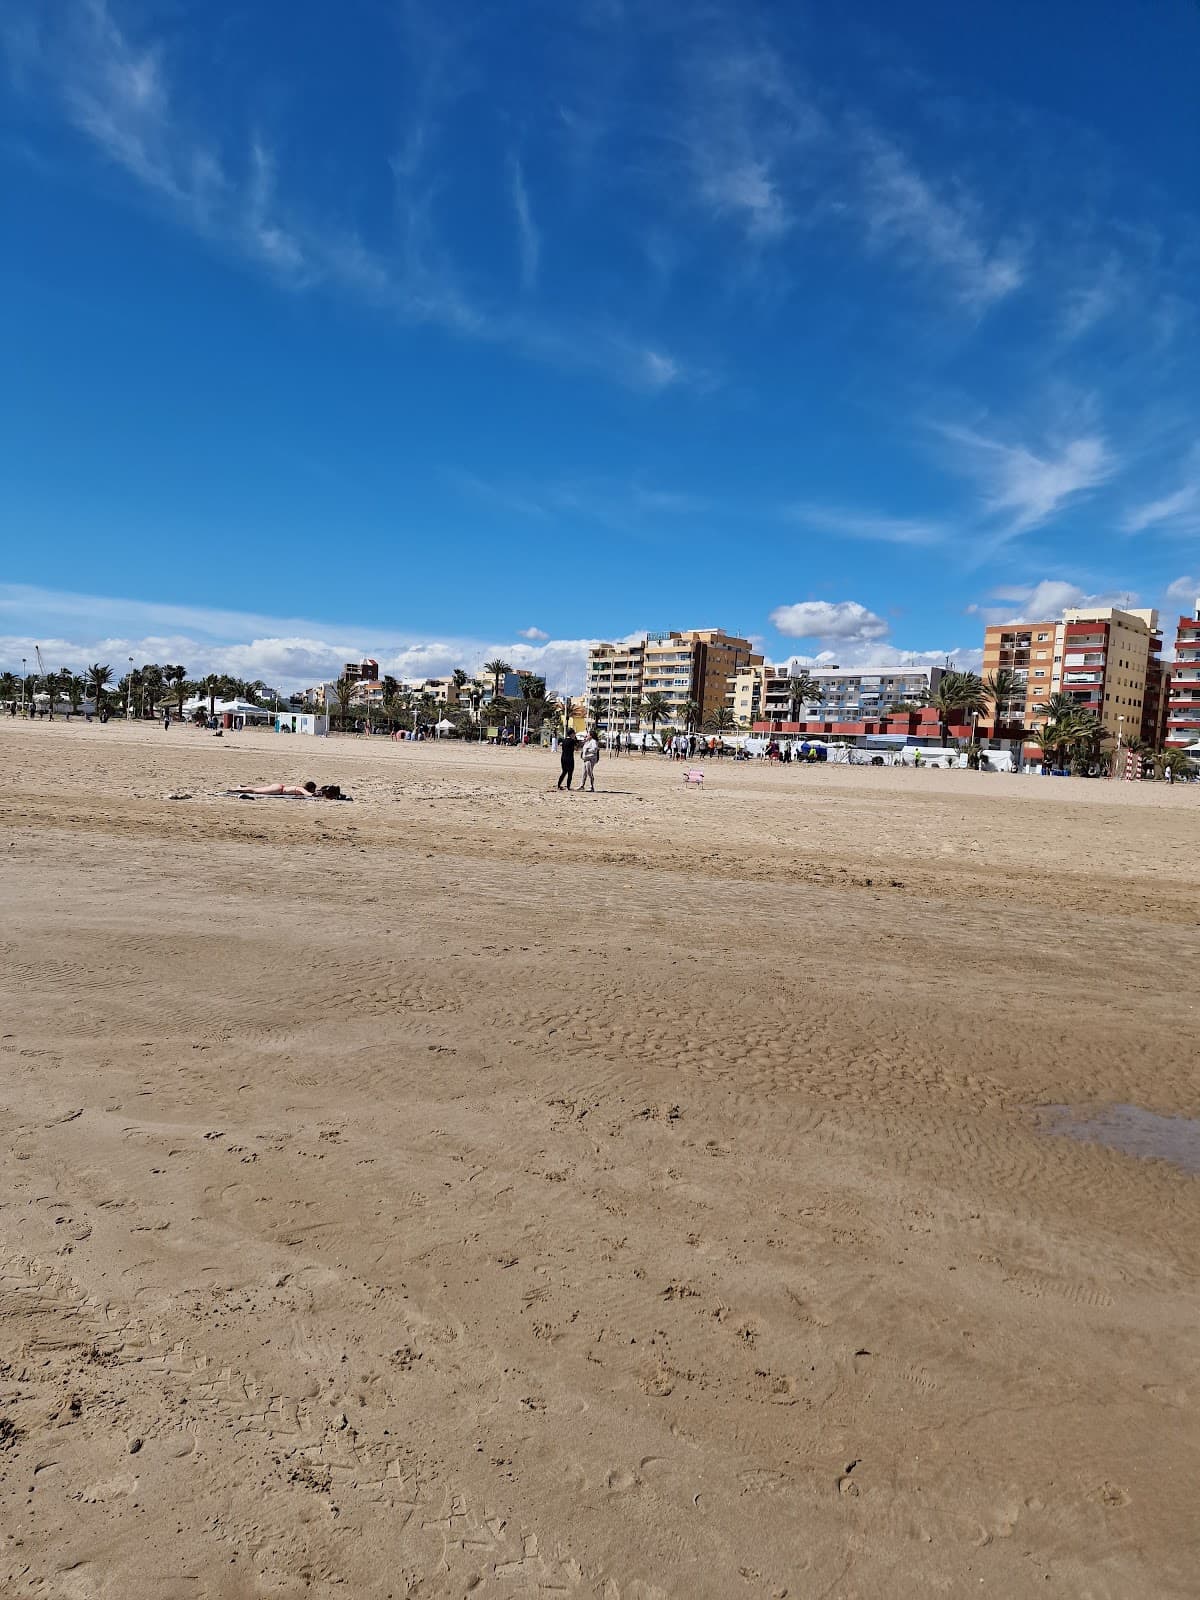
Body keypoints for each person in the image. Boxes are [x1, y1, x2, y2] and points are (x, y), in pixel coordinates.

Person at [227, 781, 345, 799]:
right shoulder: (300, 789)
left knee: (256, 789)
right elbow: (308, 795)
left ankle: (241, 788)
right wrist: (317, 794)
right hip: (279, 789)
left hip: (279, 788)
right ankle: (236, 789)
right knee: (256, 791)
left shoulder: (299, 788)